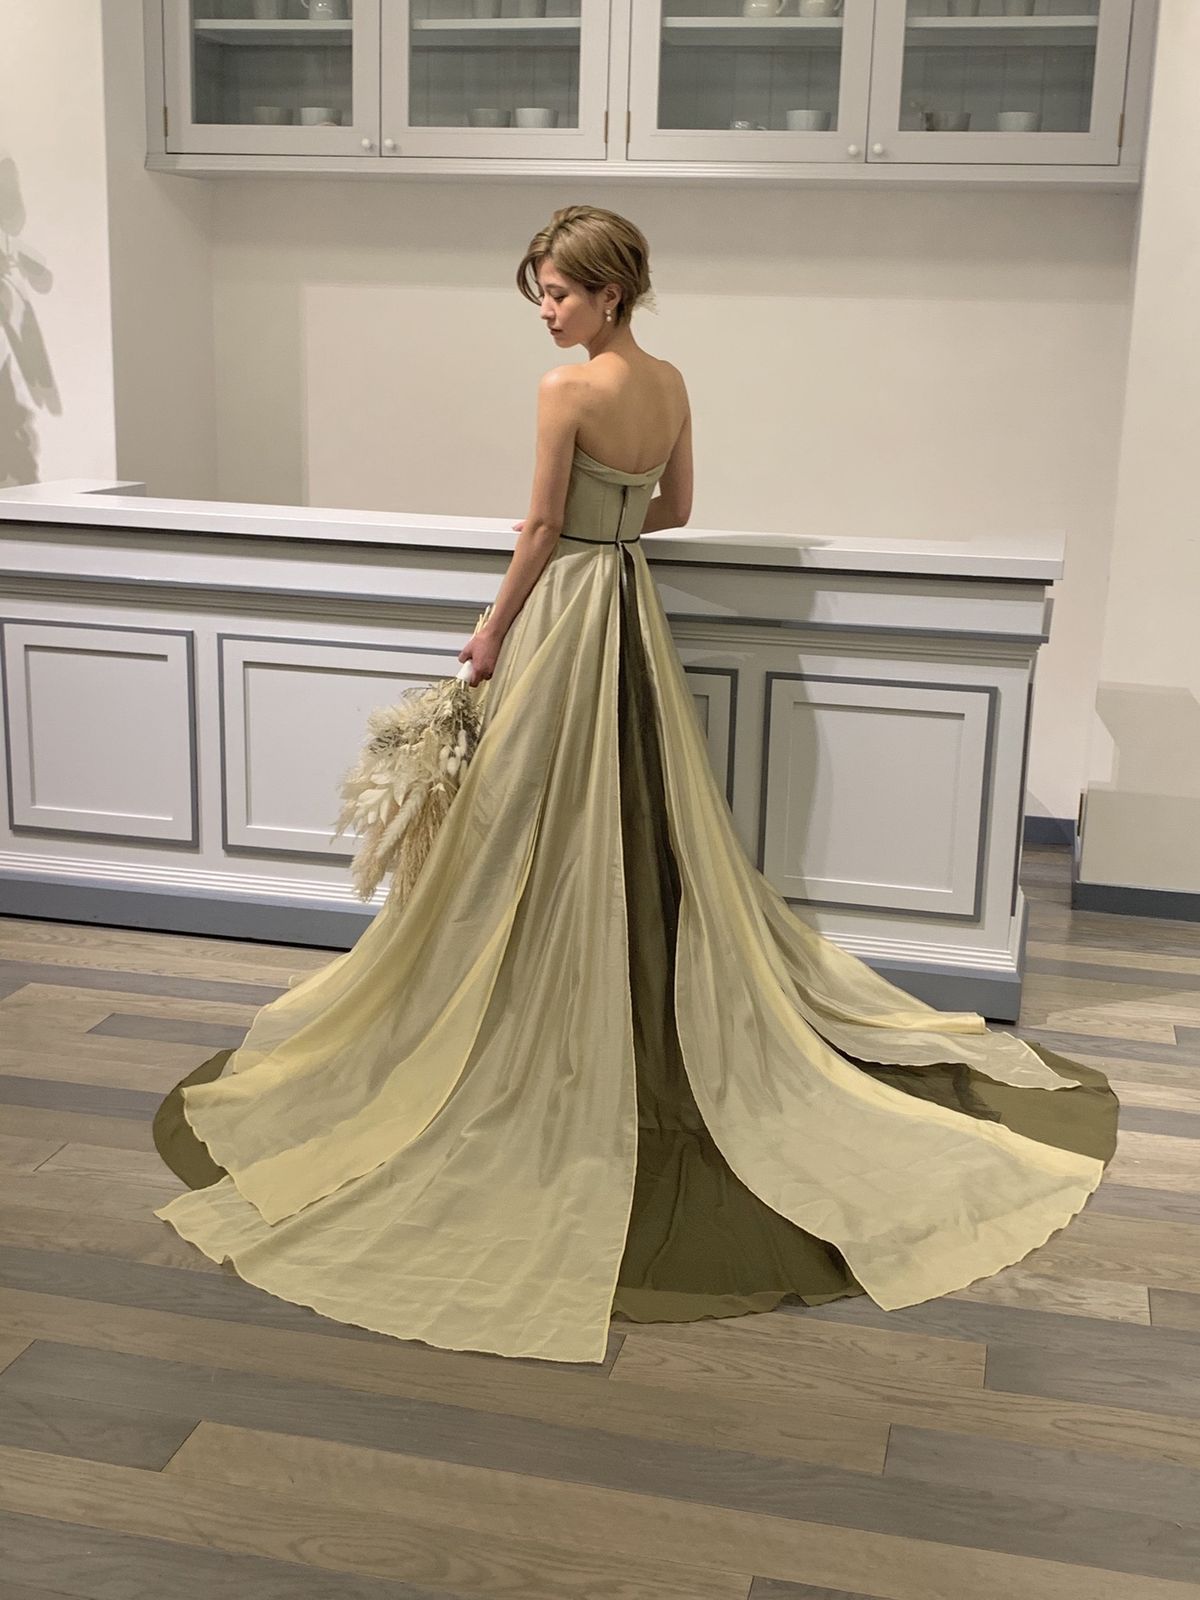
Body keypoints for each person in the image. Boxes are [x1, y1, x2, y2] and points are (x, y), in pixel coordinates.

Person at [151, 205, 1118, 1366]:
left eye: (559, 292)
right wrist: (614, 524)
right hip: (629, 600)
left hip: (565, 605)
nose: (547, 312)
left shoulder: (567, 391)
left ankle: (533, 1004)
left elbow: (540, 526)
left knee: (526, 823)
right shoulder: (669, 383)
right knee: (632, 809)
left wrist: (487, 635)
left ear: (609, 292)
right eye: (542, 294)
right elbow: (680, 509)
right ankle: (631, 990)